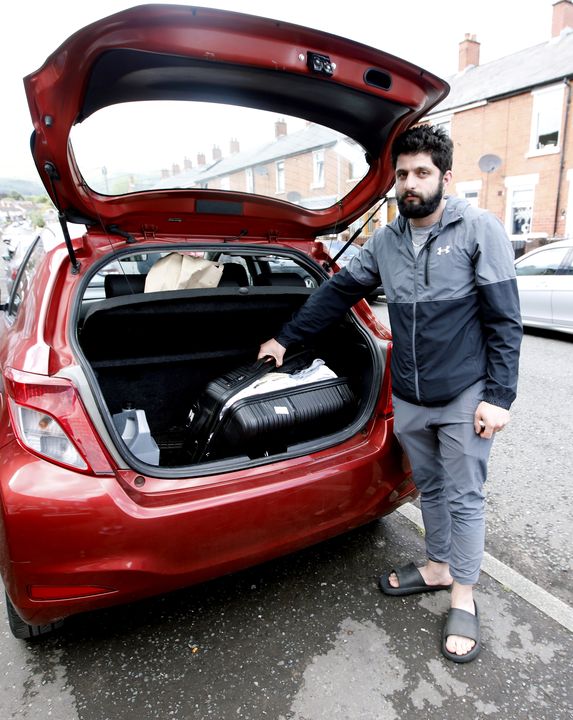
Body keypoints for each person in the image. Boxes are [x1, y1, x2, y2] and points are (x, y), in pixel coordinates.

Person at [258, 124, 522, 663]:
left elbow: (504, 320)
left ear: (445, 178)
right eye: (402, 175)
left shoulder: (478, 229)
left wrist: (499, 395)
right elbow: (337, 294)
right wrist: (286, 338)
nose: (409, 184)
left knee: (465, 493)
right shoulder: (385, 241)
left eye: (421, 173)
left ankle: (464, 595)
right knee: (429, 485)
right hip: (410, 394)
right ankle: (438, 565)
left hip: (466, 393)